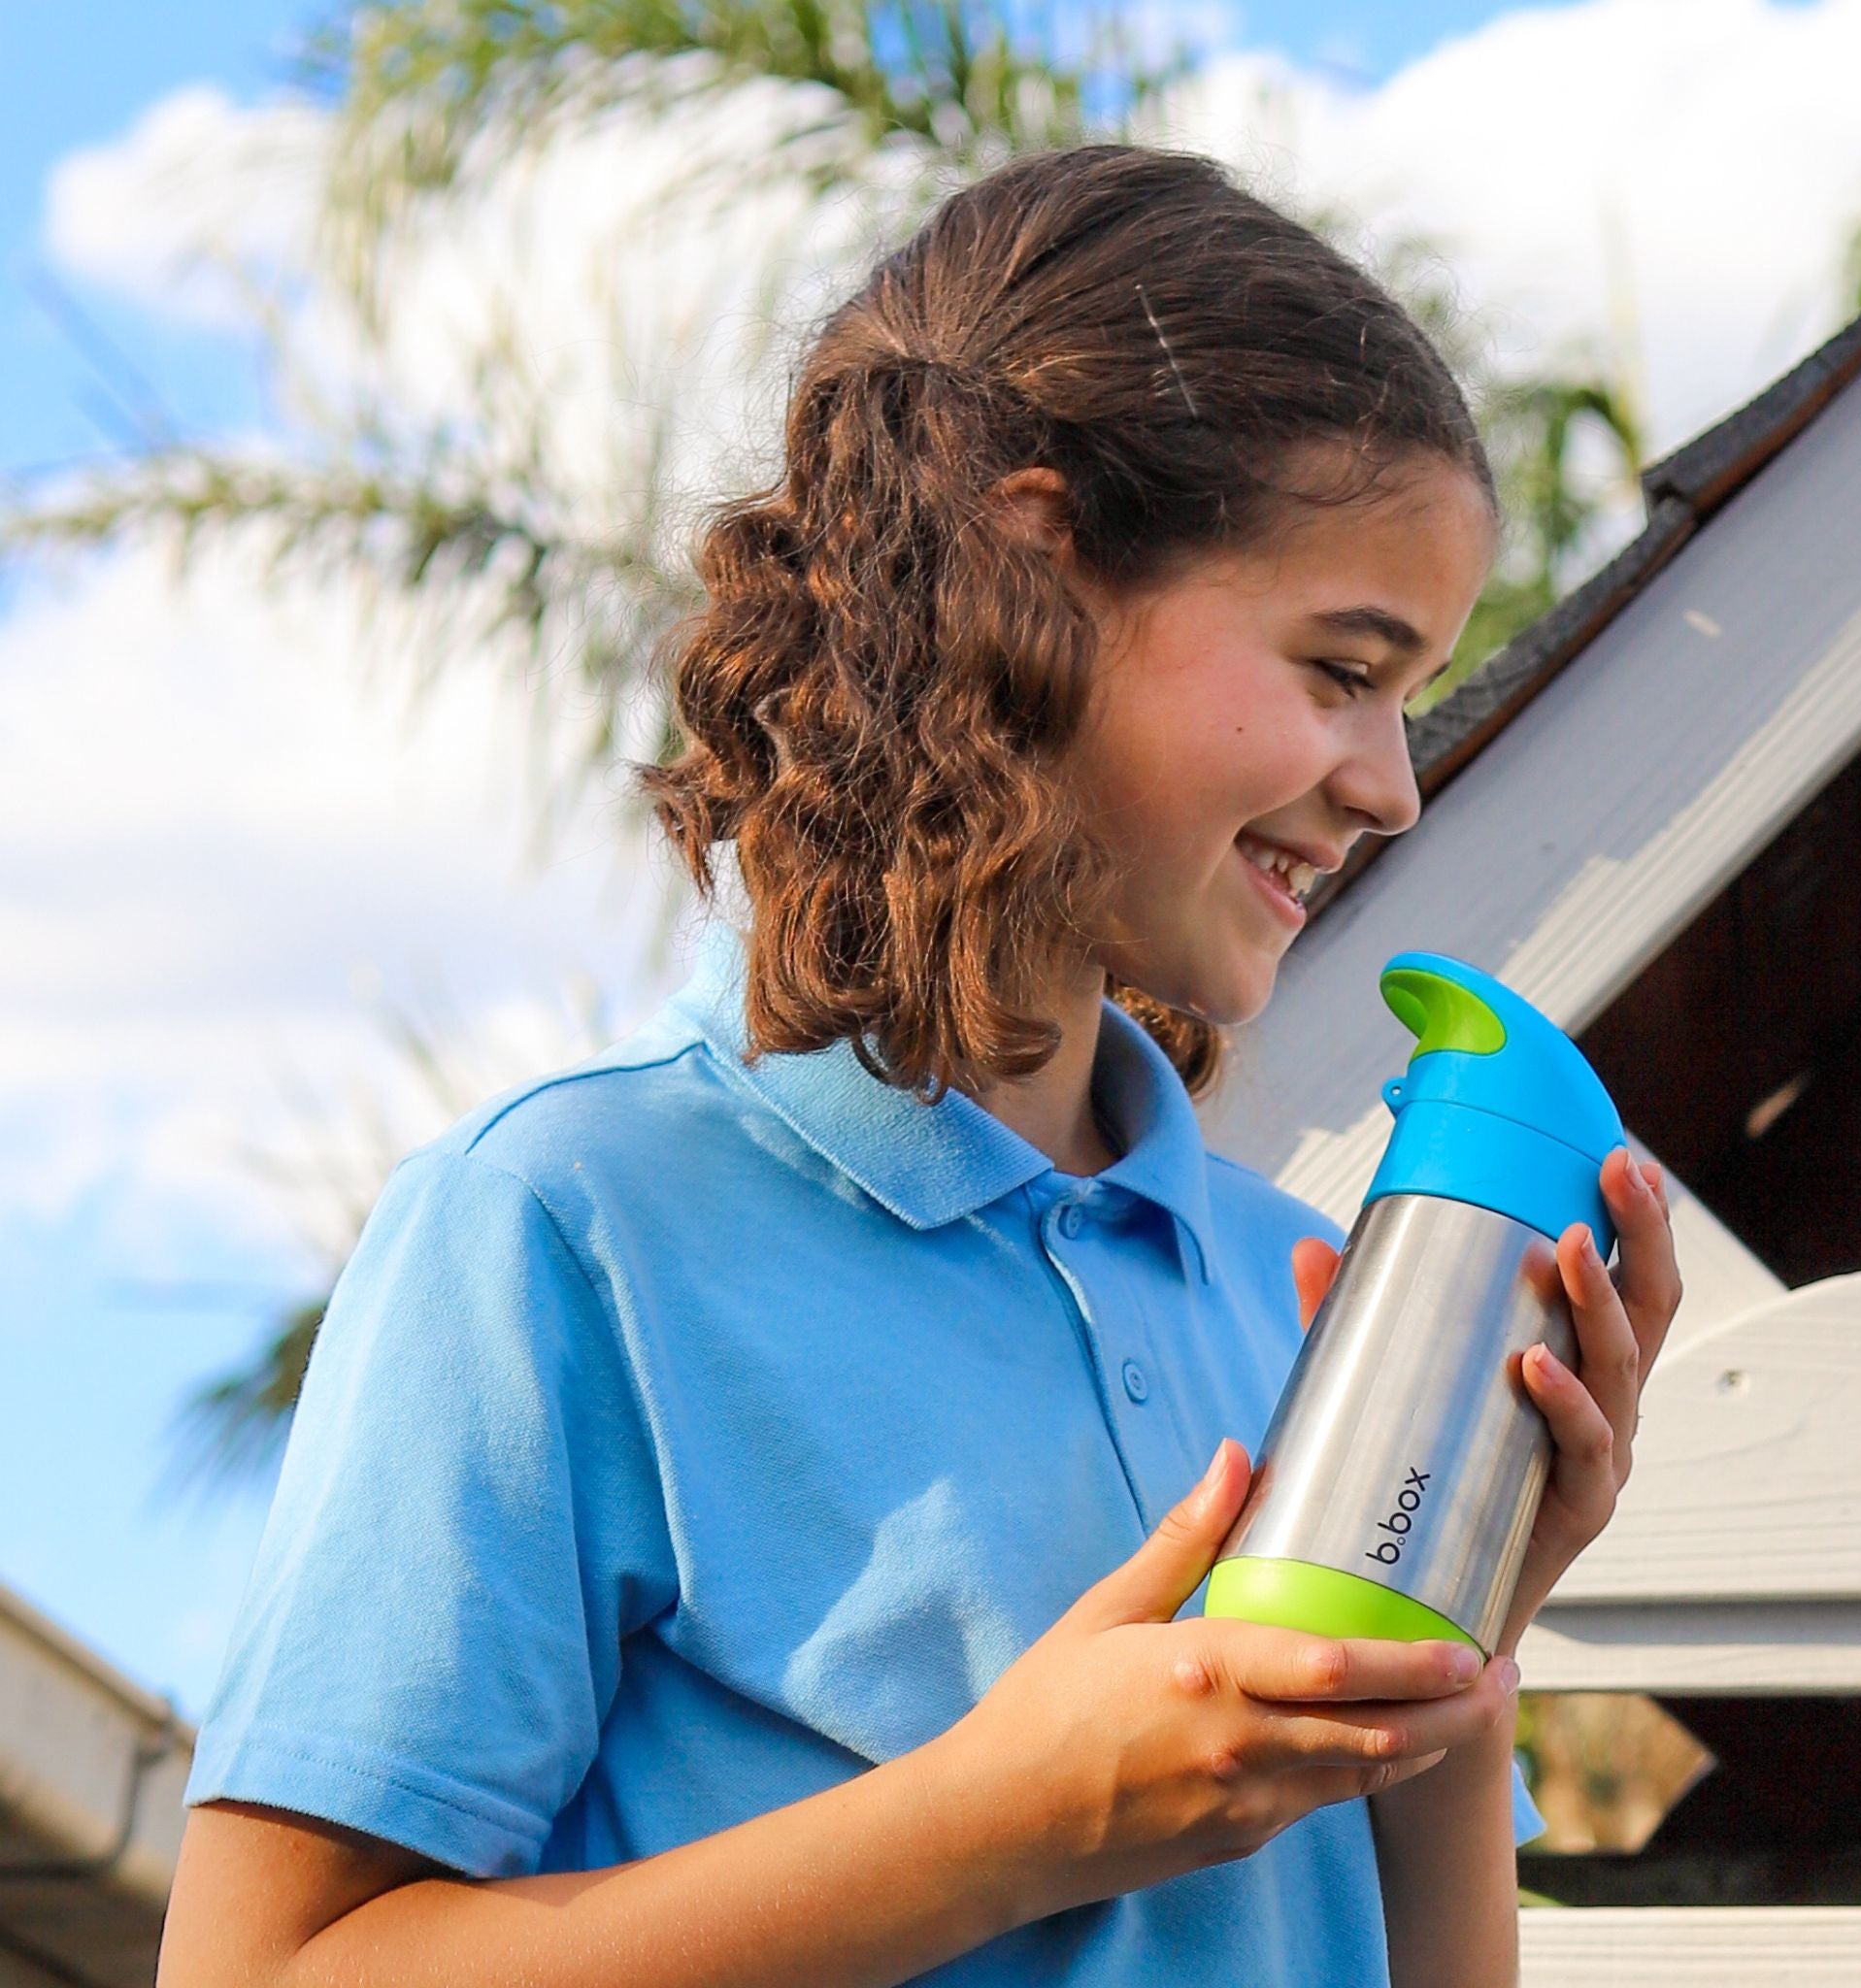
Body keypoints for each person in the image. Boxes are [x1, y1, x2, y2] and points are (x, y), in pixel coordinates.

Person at [160, 144, 1681, 1987]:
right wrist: (1008, 1827)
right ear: (1038, 564)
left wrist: (1462, 1631)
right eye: (1341, 668)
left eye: (1411, 696)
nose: (1392, 783)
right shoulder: (566, 1231)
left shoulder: (1285, 1304)